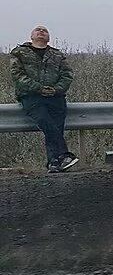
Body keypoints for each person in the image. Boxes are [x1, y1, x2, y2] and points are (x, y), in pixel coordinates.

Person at [9, 25, 79, 172]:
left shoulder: (57, 55)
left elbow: (67, 74)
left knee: (56, 128)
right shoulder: (20, 53)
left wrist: (56, 89)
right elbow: (17, 74)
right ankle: (65, 155)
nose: (41, 32)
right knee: (47, 123)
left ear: (49, 37)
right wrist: (38, 88)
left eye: (45, 31)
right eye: (38, 30)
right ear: (32, 35)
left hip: (56, 97)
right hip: (31, 96)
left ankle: (54, 162)